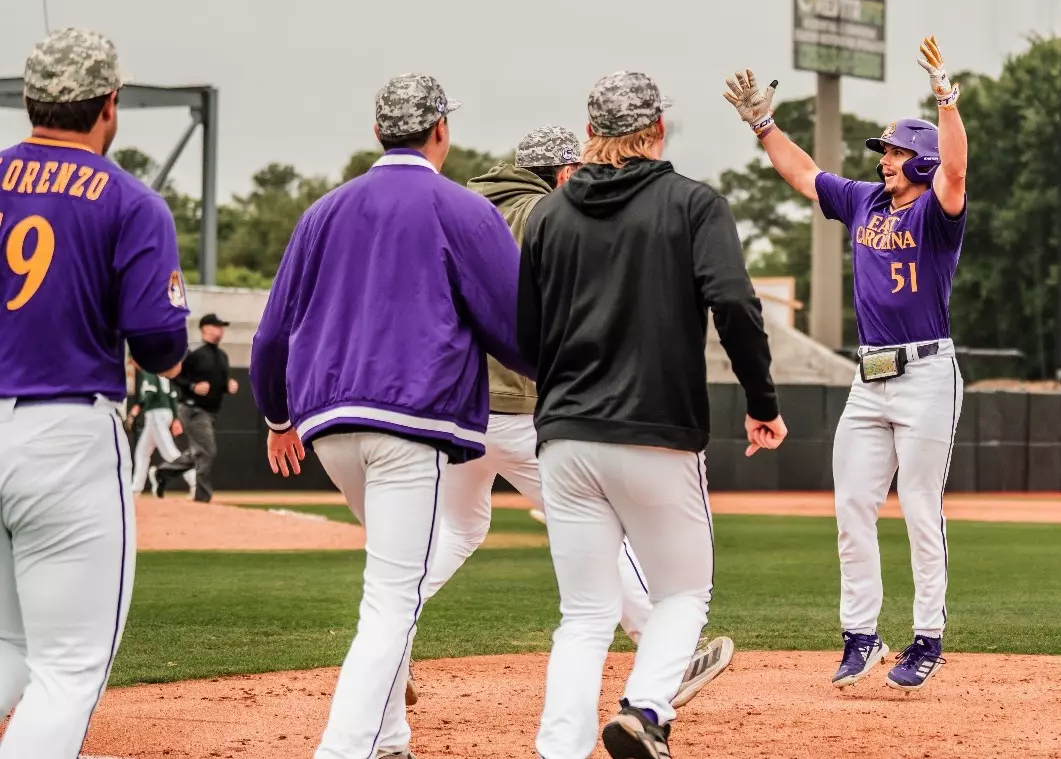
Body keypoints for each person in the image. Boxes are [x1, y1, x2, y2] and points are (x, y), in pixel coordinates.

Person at [394, 125, 737, 714]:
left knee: (457, 529)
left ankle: (390, 637)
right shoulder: (549, 213)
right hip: (525, 408)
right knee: (598, 529)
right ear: (563, 172)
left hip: (457, 409)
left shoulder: (461, 208)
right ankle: (667, 655)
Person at [249, 72, 531, 759]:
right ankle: (343, 748)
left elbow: (271, 336)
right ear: (440, 129)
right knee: (391, 600)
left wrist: (277, 418)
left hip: (325, 425)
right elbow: (517, 327)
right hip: (410, 422)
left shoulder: (321, 212)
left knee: (392, 582)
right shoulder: (461, 208)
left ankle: (390, 738)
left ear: (378, 131)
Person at [522, 71, 787, 759]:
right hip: (658, 429)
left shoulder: (548, 216)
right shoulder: (693, 204)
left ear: (591, 132)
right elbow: (735, 303)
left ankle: (559, 749)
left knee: (584, 614)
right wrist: (762, 402)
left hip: (564, 436)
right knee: (683, 593)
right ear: (658, 128)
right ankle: (644, 710)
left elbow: (525, 332)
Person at [723, 36, 968, 691]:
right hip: (869, 378)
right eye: (884, 152)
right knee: (852, 507)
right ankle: (861, 635)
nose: (883, 160)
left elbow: (956, 171)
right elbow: (804, 174)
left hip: (926, 374)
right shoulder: (864, 201)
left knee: (921, 509)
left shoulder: (938, 212)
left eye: (894, 152)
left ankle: (927, 639)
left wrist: (945, 99)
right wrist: (763, 126)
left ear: (921, 161)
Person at [0, 28, 189, 757]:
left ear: (29, 99)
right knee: (69, 668)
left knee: (9, 643)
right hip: (64, 428)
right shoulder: (130, 201)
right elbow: (159, 342)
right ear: (110, 103)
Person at [154, 313, 237, 501]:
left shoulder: (222, 355)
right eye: (217, 326)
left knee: (199, 452)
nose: (221, 330)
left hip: (211, 411)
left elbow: (220, 381)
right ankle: (202, 497)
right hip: (193, 409)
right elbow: (174, 375)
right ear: (205, 328)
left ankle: (164, 472)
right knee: (208, 451)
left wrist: (228, 385)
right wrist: (192, 387)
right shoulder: (194, 352)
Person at [128, 360, 197, 496]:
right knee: (142, 452)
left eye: (132, 360)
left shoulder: (148, 370)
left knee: (170, 453)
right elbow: (172, 395)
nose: (132, 364)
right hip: (163, 413)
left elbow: (150, 392)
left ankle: (195, 481)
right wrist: (175, 418)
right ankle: (136, 488)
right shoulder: (159, 369)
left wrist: (138, 406)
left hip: (156, 413)